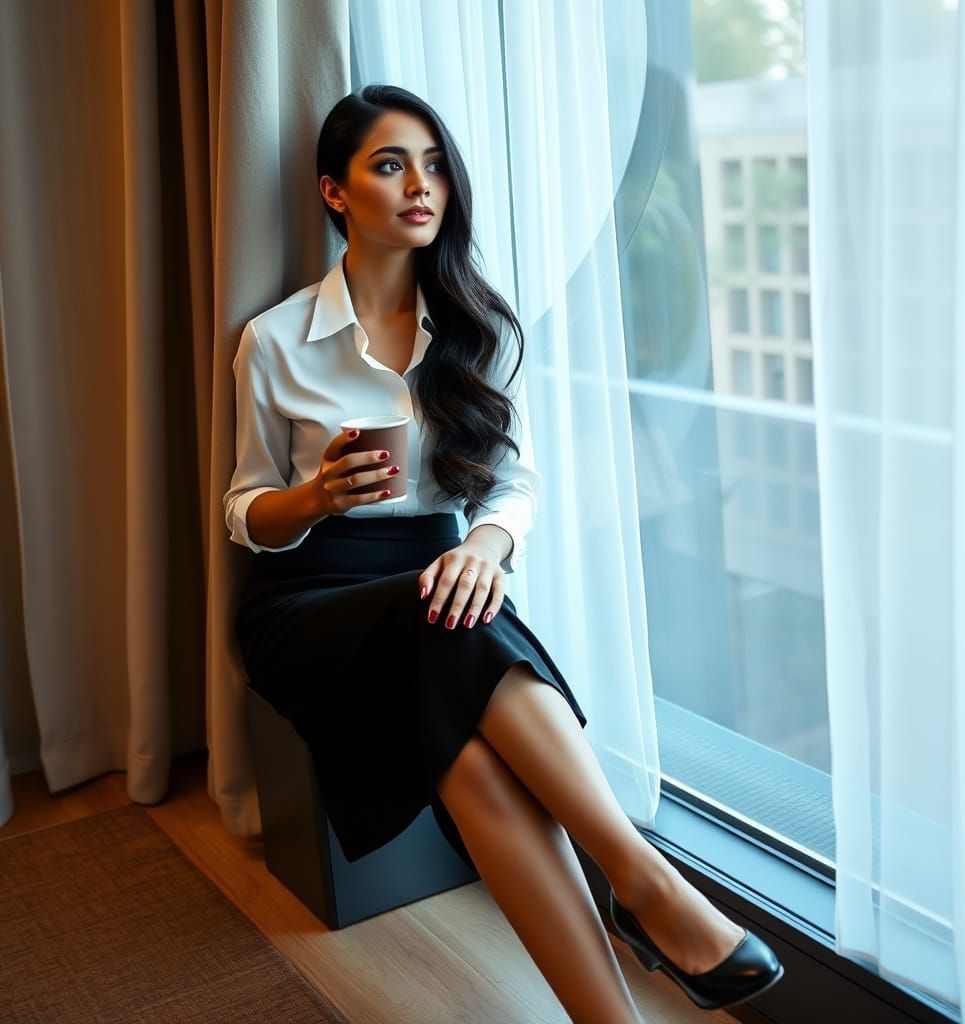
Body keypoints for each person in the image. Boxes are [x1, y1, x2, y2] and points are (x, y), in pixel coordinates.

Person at [224, 84, 783, 1023]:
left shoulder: (474, 325)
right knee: (442, 611)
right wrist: (316, 496)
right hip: (308, 598)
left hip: (437, 583)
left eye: (435, 164)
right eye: (391, 164)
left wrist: (487, 541)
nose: (421, 186)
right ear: (334, 191)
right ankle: (645, 882)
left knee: (473, 742)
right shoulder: (275, 340)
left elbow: (512, 481)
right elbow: (243, 512)